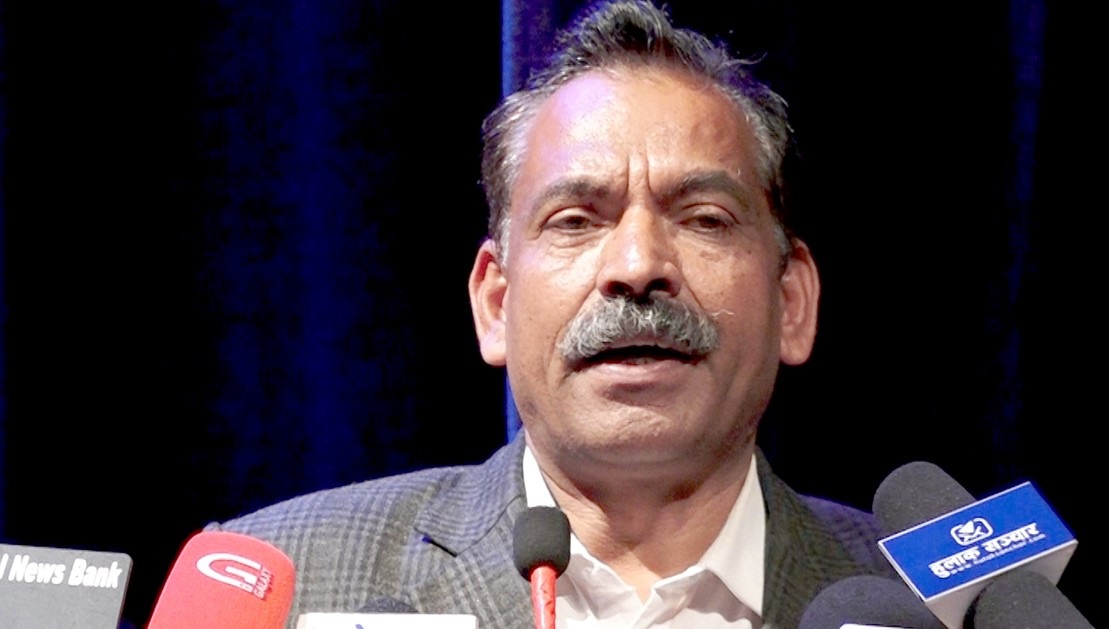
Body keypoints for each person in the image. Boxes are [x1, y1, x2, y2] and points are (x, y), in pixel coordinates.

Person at [212, 1, 894, 626]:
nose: (637, 264)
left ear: (791, 301)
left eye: (704, 218)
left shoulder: (922, 599)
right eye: (575, 220)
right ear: (496, 303)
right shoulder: (275, 585)